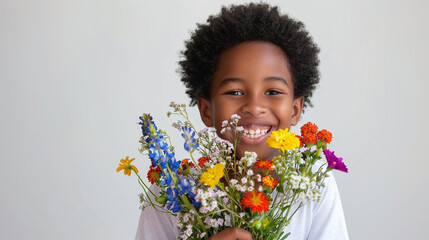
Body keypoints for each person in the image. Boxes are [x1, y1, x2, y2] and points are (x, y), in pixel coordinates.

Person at [136, 3, 349, 240]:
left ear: (295, 109)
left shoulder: (313, 182)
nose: (254, 106)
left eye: (273, 91)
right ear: (206, 110)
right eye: (235, 92)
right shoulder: (173, 189)